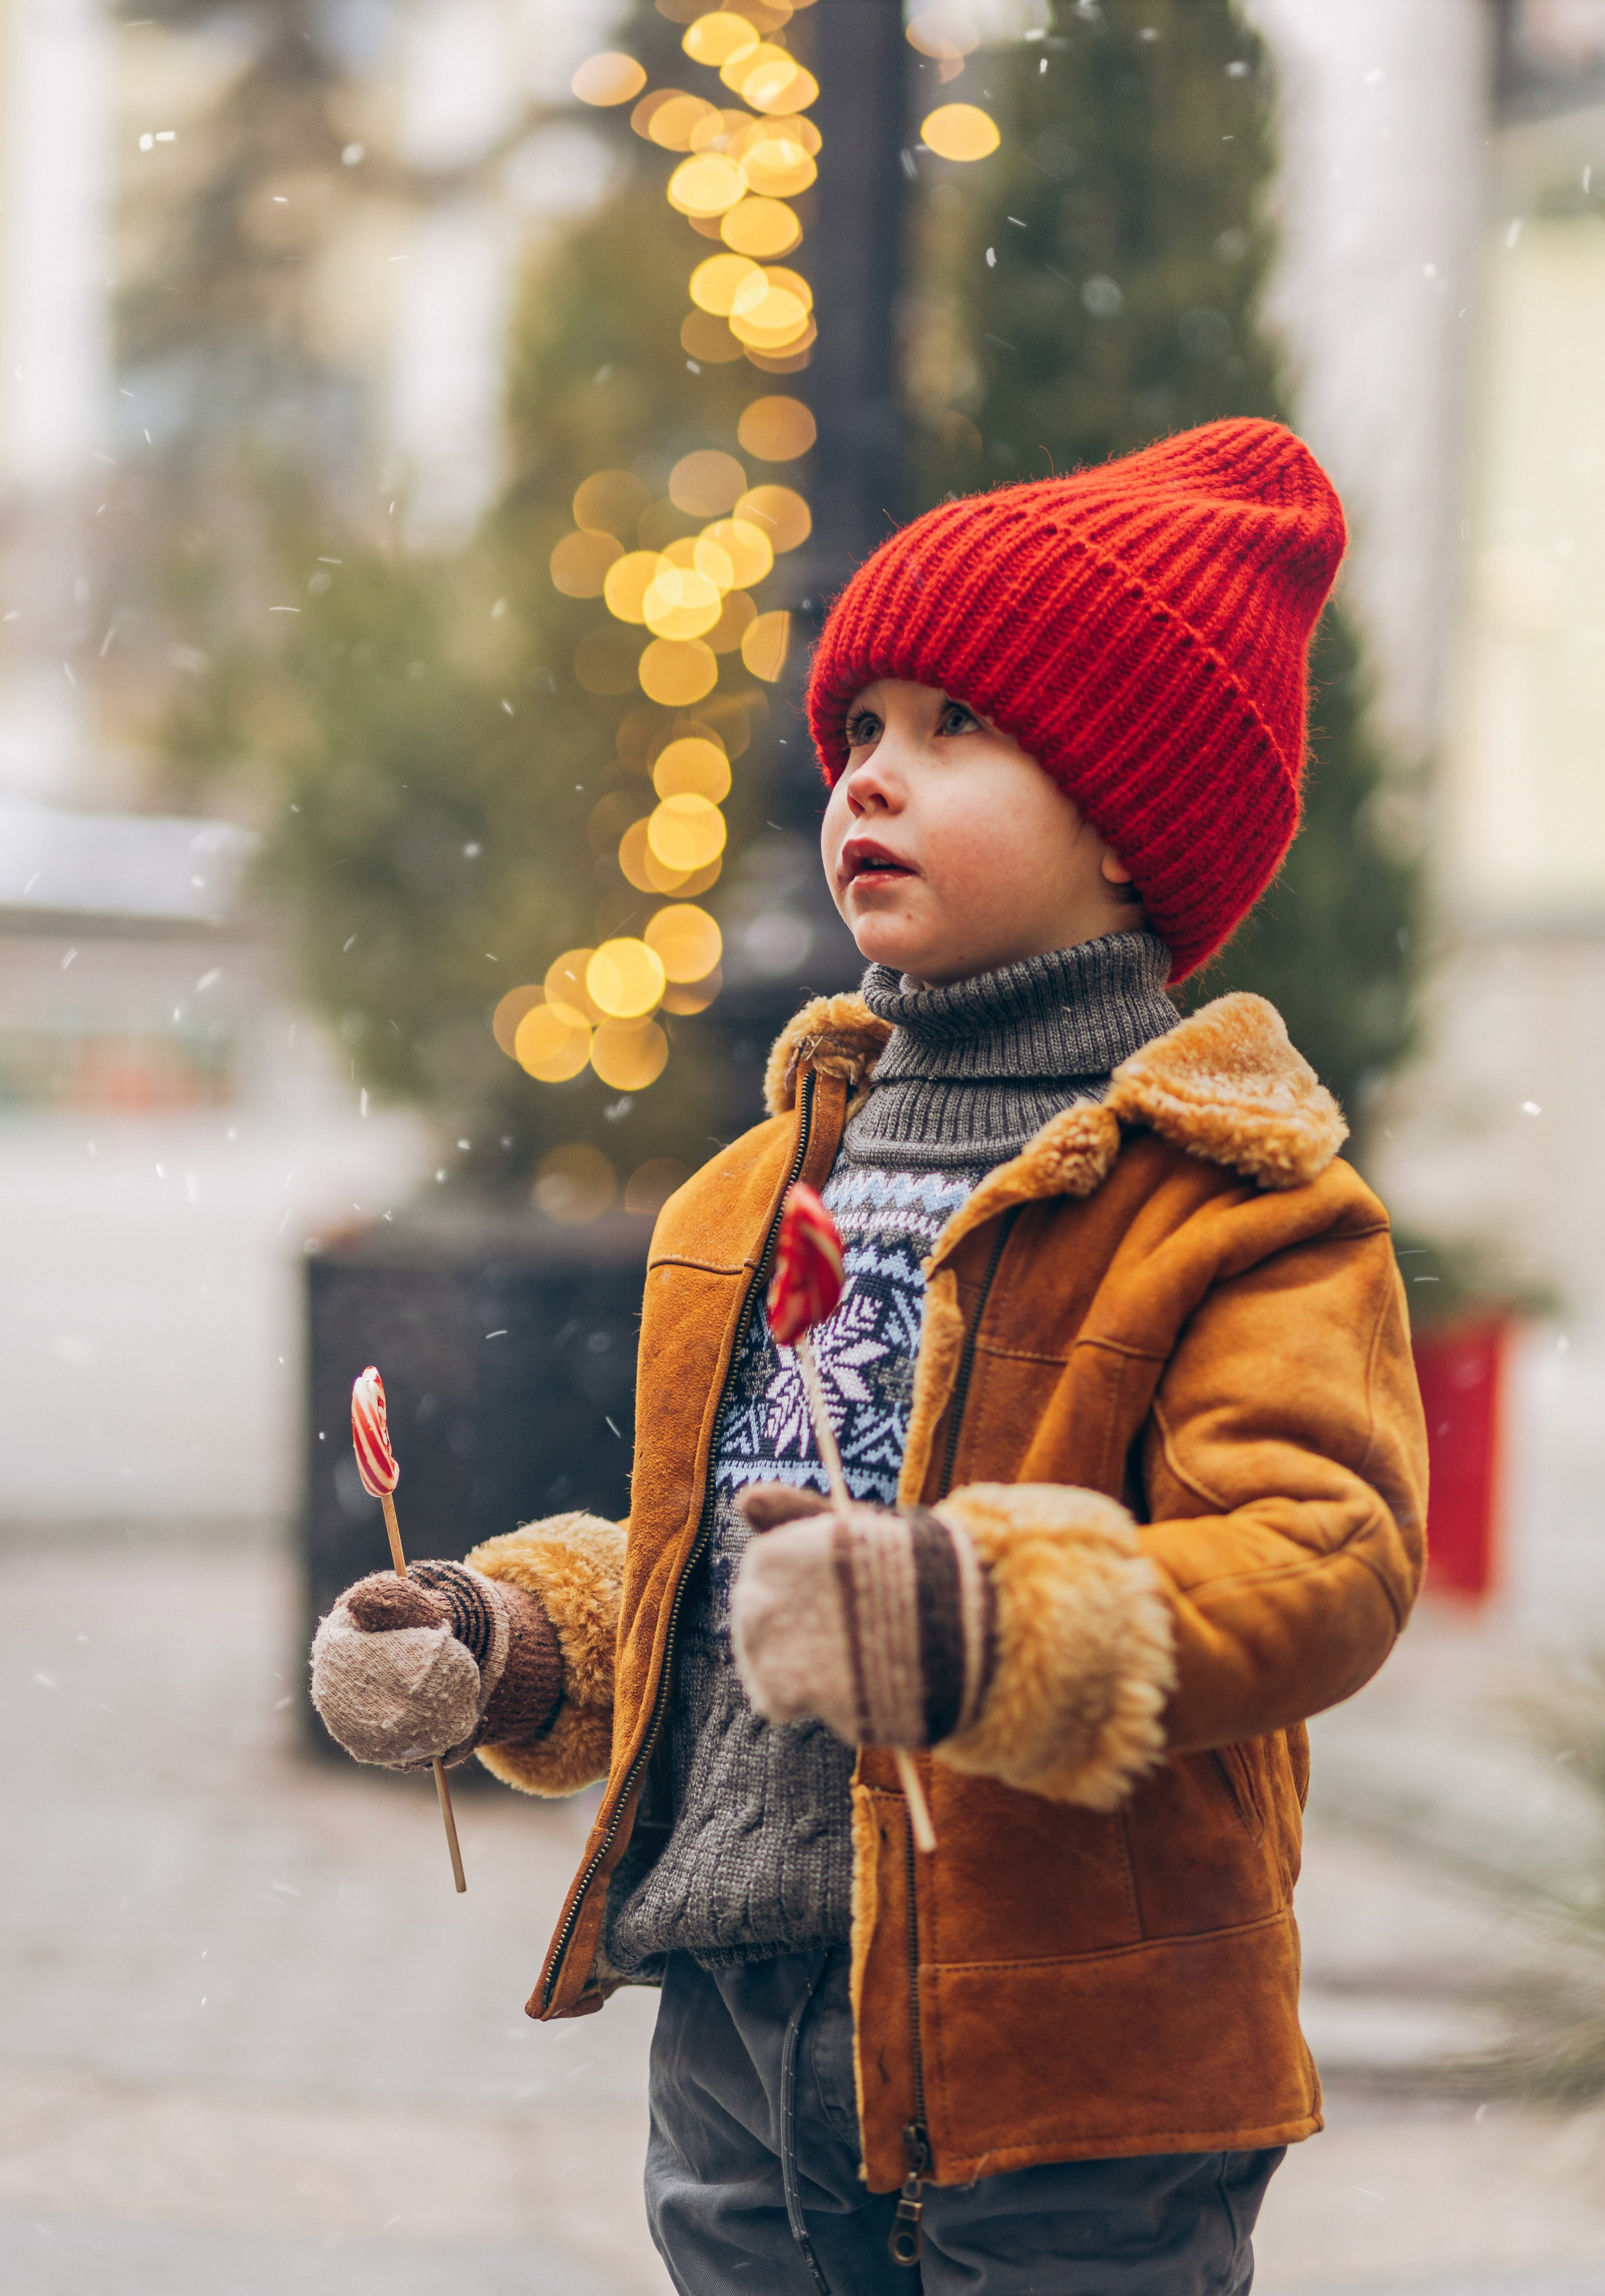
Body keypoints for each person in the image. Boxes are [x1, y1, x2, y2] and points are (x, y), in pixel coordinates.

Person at [310, 418, 1428, 2294]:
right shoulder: (754, 1188)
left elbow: (1323, 1564)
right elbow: (712, 1580)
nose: (868, 782)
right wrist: (509, 1643)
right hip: (742, 2021)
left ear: (1126, 821)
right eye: (859, 736)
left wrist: (986, 1621)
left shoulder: (1237, 1204)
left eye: (955, 728)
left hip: (1072, 2059)